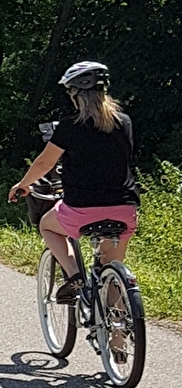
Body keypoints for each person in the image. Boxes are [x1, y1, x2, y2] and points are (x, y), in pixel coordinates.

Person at [9, 61, 139, 306]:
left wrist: (23, 184)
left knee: (47, 226)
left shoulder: (70, 126)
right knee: (111, 269)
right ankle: (119, 328)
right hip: (124, 209)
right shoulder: (124, 122)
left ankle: (74, 276)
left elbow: (44, 164)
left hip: (81, 210)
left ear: (75, 94)